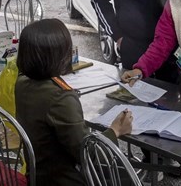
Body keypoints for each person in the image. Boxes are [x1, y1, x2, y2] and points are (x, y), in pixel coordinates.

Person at [15, 18, 133, 186]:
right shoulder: (60, 98)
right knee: (124, 174)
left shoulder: (22, 82)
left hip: (38, 174)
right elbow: (88, 154)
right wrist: (115, 130)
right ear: (60, 54)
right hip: (65, 179)